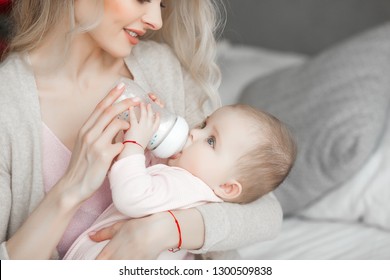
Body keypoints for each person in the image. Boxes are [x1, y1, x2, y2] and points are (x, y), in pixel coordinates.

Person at [0, 0, 283, 260]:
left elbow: (264, 211)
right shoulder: (8, 103)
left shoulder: (160, 67)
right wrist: (71, 189)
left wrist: (166, 230)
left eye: (162, 3)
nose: (156, 21)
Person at [64, 103, 296, 259]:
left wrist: (134, 144)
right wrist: (154, 137)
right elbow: (152, 181)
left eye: (211, 141)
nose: (195, 133)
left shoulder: (187, 186)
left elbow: (133, 196)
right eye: (204, 124)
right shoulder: (188, 185)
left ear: (226, 187)